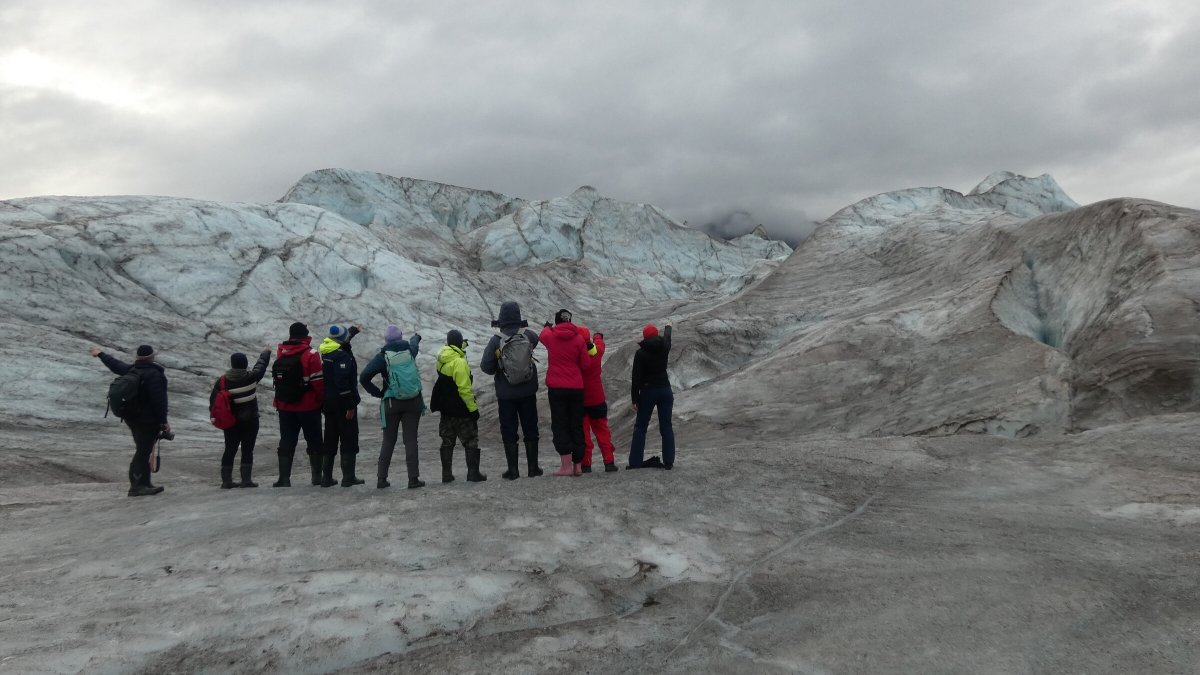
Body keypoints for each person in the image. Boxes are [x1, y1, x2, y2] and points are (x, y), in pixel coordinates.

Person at [92, 344, 170, 496]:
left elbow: (115, 364)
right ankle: (136, 486)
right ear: (152, 357)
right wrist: (164, 421)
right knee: (143, 451)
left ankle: (145, 483)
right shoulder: (154, 375)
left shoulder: (132, 369)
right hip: (147, 420)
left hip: (132, 417)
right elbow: (159, 401)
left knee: (144, 449)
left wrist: (101, 354)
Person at [480, 301, 543, 480]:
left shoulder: (496, 341)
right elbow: (536, 341)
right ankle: (533, 468)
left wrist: (501, 365)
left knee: (509, 430)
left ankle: (513, 470)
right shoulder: (529, 335)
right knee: (531, 428)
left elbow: (486, 366)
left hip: (506, 394)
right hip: (527, 390)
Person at [360, 324, 425, 489]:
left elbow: (364, 376)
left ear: (386, 340)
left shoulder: (383, 357)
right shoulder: (410, 351)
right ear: (401, 337)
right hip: (413, 401)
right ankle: (413, 479)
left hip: (391, 402)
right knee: (410, 440)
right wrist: (416, 337)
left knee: (388, 440)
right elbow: (415, 343)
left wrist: (378, 393)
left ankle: (381, 479)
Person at [539, 309, 592, 476]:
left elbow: (542, 334)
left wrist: (549, 327)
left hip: (557, 388)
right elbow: (585, 365)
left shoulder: (550, 336)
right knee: (576, 425)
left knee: (560, 424)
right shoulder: (578, 339)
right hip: (576, 388)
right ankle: (577, 466)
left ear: (557, 322)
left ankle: (565, 466)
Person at [272, 321, 325, 487]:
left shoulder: (282, 352)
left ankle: (284, 478)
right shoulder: (311, 353)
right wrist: (323, 402)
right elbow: (318, 382)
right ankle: (317, 477)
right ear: (305, 335)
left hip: (285, 405)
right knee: (314, 440)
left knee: (287, 439)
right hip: (308, 406)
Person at [209, 349, 272, 488]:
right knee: (247, 449)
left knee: (230, 449)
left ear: (232, 364)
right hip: (250, 420)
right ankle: (246, 480)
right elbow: (260, 366)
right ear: (245, 364)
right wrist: (266, 353)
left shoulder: (222, 381)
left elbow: (213, 402)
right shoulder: (251, 377)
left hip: (230, 422)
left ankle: (226, 481)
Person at [430, 330, 486, 483]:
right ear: (459, 342)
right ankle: (473, 473)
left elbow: (454, 350)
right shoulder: (459, 362)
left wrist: (462, 345)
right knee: (470, 439)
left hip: (446, 409)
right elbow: (464, 389)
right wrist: (473, 410)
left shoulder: (443, 359)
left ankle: (446, 474)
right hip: (460, 409)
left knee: (447, 440)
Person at [320, 324, 364, 487]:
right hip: (342, 404)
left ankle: (326, 478)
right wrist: (350, 406)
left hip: (328, 402)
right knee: (349, 438)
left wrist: (352, 331)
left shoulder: (326, 351)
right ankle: (348, 477)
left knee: (330, 438)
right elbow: (342, 383)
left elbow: (343, 341)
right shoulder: (342, 356)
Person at [628, 321, 675, 469]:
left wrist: (635, 398)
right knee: (666, 426)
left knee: (641, 426)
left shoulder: (640, 353)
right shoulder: (665, 347)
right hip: (665, 390)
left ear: (645, 337)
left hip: (648, 392)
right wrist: (668, 326)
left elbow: (636, 377)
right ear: (656, 334)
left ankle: (635, 462)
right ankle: (669, 462)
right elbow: (667, 337)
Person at [577, 326, 618, 473]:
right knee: (602, 432)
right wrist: (597, 336)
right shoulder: (597, 352)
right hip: (597, 399)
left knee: (584, 434)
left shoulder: (575, 356)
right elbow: (600, 344)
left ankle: (586, 464)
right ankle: (609, 462)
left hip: (580, 400)